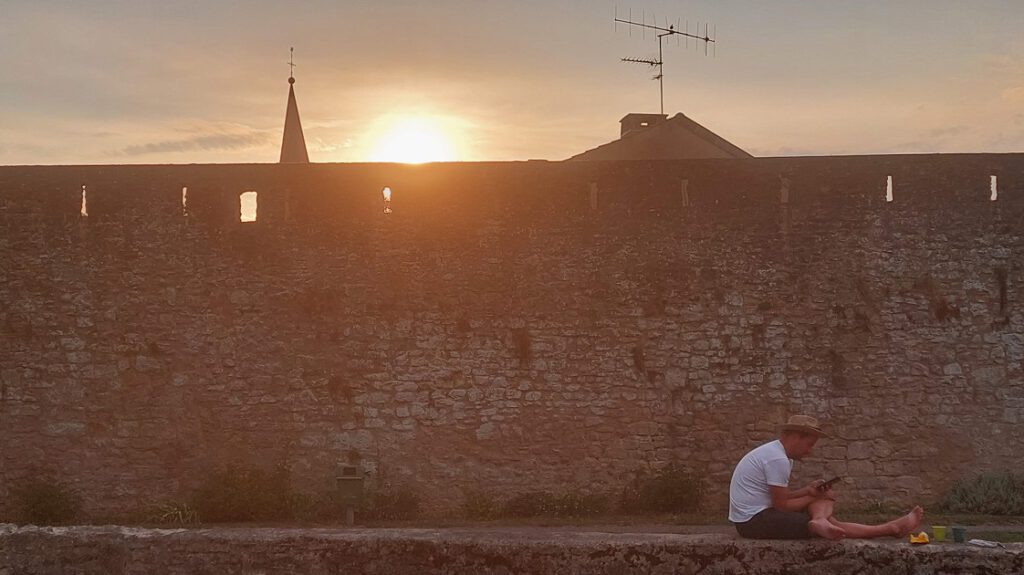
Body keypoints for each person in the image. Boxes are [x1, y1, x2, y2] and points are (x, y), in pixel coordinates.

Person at [729, 414, 924, 540]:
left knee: (826, 518)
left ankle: (890, 528)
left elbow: (781, 498)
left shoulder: (779, 455)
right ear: (796, 437)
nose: (809, 451)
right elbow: (781, 506)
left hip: (761, 514)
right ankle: (889, 529)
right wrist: (814, 497)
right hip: (752, 523)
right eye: (809, 444)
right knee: (826, 518)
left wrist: (808, 492)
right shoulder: (777, 459)